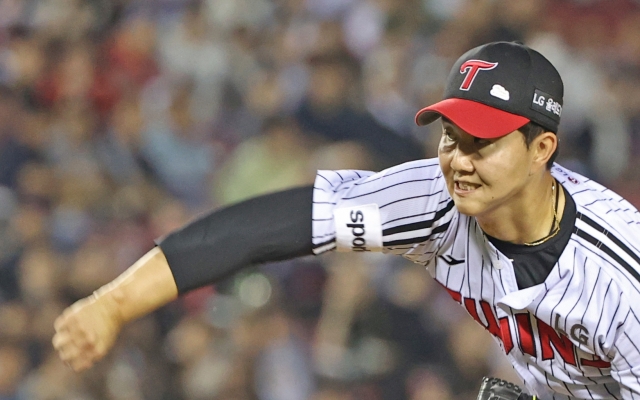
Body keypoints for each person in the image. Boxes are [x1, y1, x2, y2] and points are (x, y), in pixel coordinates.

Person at [52, 41, 640, 400]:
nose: (457, 161)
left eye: (481, 143)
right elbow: (267, 229)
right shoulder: (432, 200)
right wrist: (114, 303)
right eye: (449, 137)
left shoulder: (619, 277)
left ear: (541, 150)